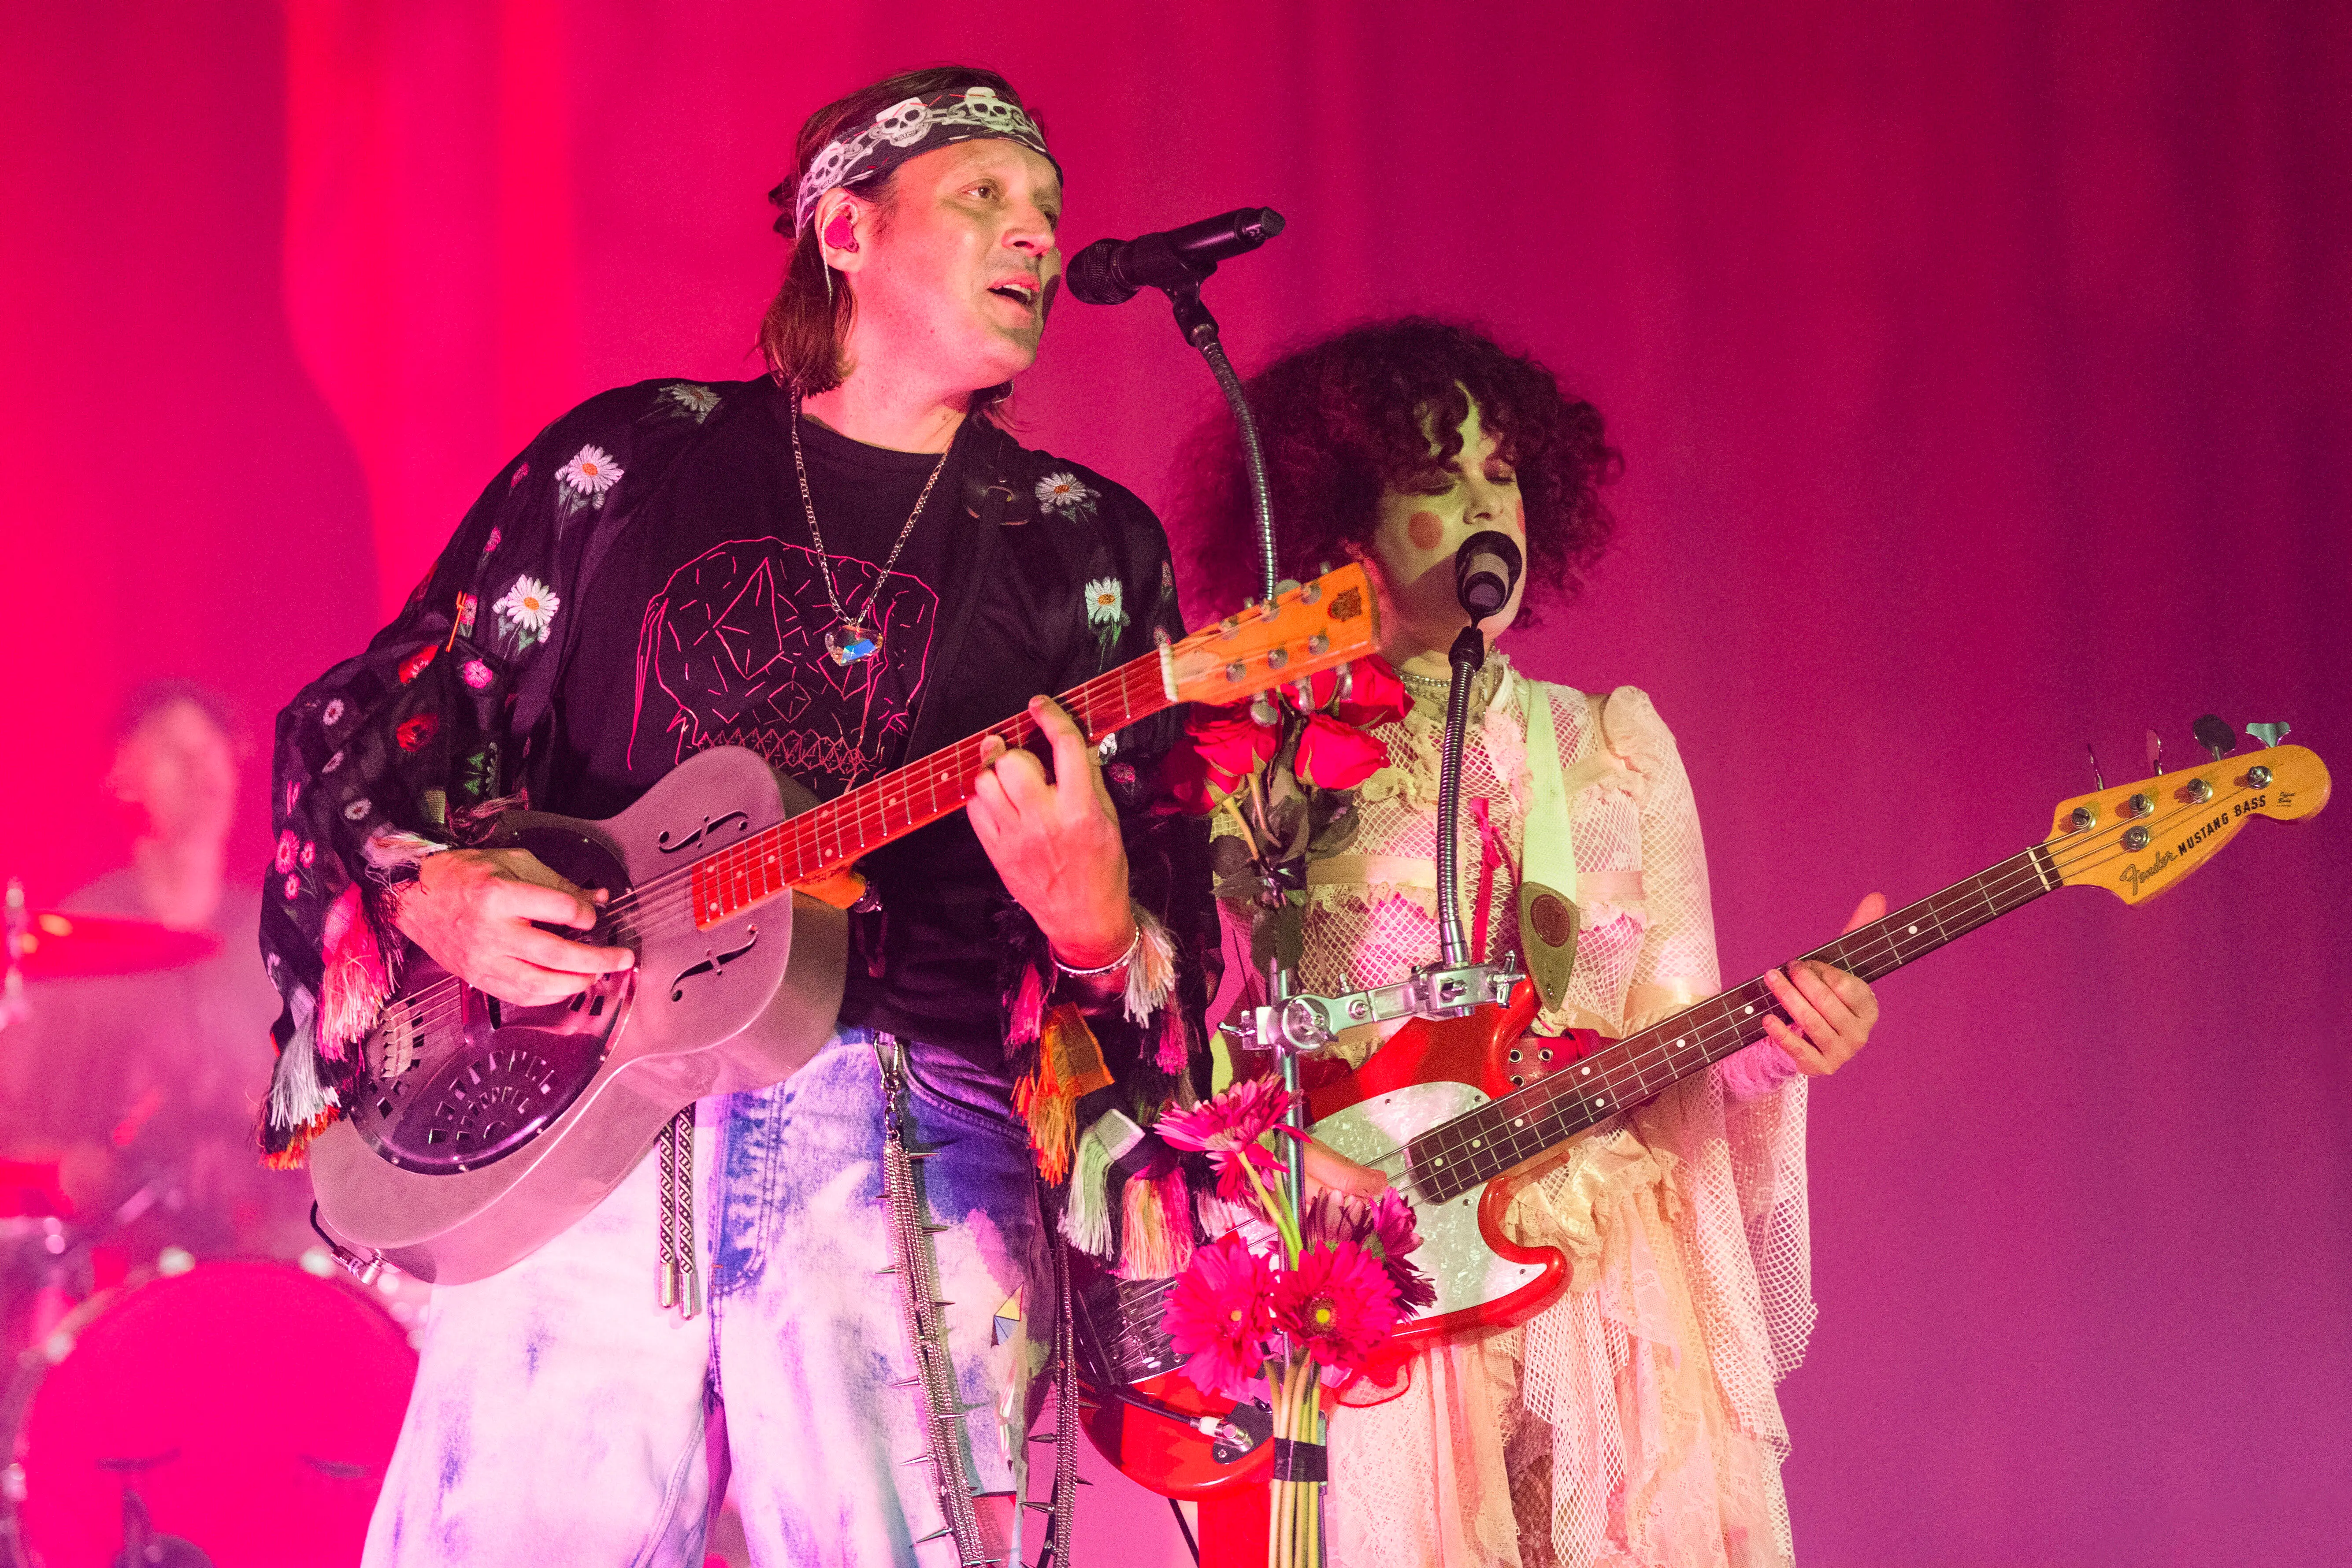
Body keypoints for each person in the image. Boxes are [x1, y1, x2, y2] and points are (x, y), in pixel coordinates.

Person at [259, 67, 1207, 1566]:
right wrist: (429, 886)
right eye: (982, 196)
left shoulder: (1085, 543)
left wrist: (1095, 920)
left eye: (1046, 211)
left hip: (904, 1128)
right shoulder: (632, 460)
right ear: (844, 228)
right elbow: (388, 705)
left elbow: (1163, 927)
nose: (1032, 235)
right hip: (573, 1116)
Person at [1185, 319, 1882, 1568]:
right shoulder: (1257, 759)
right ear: (1341, 521)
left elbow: (1680, 1030)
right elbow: (1201, 1035)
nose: (1480, 505)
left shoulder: (1609, 742)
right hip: (1387, 1280)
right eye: (1436, 480)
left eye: (1500, 474)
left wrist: (1775, 1053)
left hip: (1606, 1277)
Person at [0, 682, 307, 1269]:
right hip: (112, 1267)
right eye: (172, 749)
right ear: (120, 777)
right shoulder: (71, 947)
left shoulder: (280, 938)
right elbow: (10, 1133)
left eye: (212, 748)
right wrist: (64, 1167)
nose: (200, 768)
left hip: (266, 1261)